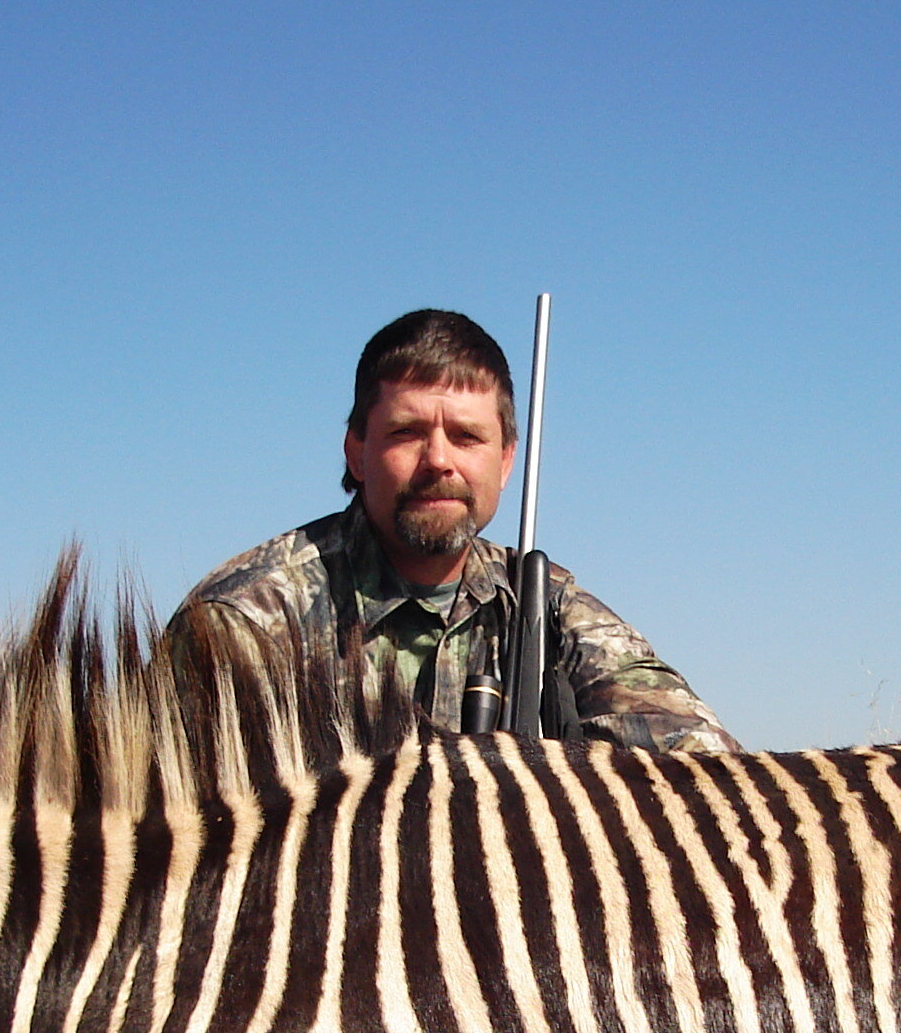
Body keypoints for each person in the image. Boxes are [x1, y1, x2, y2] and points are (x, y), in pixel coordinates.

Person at [166, 309, 736, 752]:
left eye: (466, 437)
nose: (439, 460)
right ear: (356, 452)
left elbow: (700, 759)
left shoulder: (545, 603)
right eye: (407, 432)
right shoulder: (245, 621)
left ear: (507, 459)